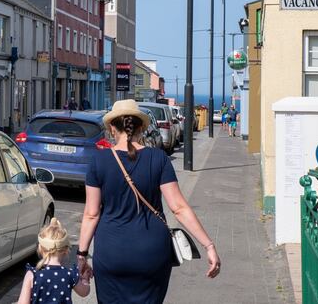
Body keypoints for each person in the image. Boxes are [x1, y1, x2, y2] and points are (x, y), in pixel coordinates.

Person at [77, 99, 221, 303]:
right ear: (141, 127)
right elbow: (179, 208)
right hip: (151, 252)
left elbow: (91, 214)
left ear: (111, 127)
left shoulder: (99, 162)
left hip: (111, 252)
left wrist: (81, 254)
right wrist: (209, 245)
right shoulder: (159, 159)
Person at [17, 218, 91, 304]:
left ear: (40, 248)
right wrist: (85, 279)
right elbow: (84, 292)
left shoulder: (32, 274)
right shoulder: (69, 274)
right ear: (66, 250)